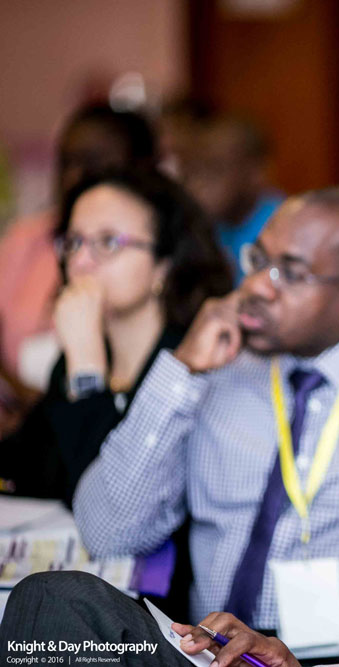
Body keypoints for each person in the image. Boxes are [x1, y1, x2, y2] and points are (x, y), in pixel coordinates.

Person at [0, 188, 339, 661]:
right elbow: (109, 531)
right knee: (50, 603)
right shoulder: (217, 366)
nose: (255, 288)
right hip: (205, 650)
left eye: (290, 273)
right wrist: (181, 370)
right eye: (258, 261)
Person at [0, 169, 232, 506]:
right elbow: (25, 468)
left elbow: (106, 506)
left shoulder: (192, 363)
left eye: (108, 242)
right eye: (73, 242)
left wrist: (87, 371)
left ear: (164, 264)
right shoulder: (76, 355)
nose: (80, 262)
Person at [0, 105, 158, 396]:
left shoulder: (149, 251)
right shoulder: (24, 239)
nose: (74, 177)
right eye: (66, 162)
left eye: (107, 242)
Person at [182, 113, 283, 281]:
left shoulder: (279, 226)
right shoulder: (213, 224)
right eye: (194, 170)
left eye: (215, 170)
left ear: (255, 173)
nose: (199, 183)